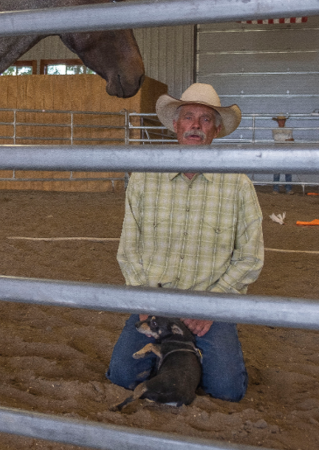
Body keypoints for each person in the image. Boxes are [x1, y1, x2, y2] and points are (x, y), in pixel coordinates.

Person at [107, 83, 264, 403]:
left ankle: (182, 355)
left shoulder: (238, 185)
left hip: (209, 304)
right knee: (121, 377)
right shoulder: (144, 177)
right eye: (188, 117)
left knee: (228, 391)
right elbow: (128, 249)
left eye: (205, 119)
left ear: (217, 129)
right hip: (154, 301)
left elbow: (250, 257)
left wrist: (210, 305)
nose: (195, 125)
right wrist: (145, 301)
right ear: (176, 125)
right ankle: (181, 356)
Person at [272, 116, 294, 194]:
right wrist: (287, 139)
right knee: (277, 171)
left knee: (288, 170)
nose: (281, 122)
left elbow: (291, 140)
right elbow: (277, 139)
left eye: (282, 120)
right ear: (278, 121)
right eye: (280, 120)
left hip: (286, 151)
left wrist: (284, 140)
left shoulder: (288, 129)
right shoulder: (275, 130)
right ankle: (276, 188)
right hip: (279, 151)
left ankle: (288, 188)